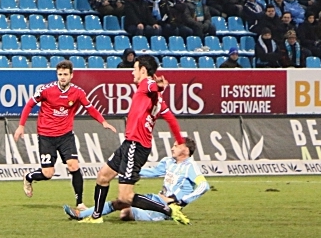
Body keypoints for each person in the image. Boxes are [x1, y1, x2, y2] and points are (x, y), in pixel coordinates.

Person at [77, 56, 190, 225]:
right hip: (130, 144)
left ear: (143, 70)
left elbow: (152, 85)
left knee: (126, 197)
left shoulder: (146, 84)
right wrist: (180, 141)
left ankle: (167, 209)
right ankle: (95, 217)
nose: (132, 72)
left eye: (135, 68)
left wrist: (158, 86)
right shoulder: (158, 100)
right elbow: (172, 119)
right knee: (103, 176)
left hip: (136, 146)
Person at [13, 60, 117, 209]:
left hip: (65, 136)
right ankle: (29, 176)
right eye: (60, 74)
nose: (62, 77)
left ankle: (80, 203)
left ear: (71, 75)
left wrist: (103, 122)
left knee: (73, 165)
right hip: (46, 136)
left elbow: (90, 107)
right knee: (48, 173)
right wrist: (21, 126)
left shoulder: (78, 92)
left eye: (65, 74)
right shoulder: (46, 90)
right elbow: (29, 104)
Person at [65, 138, 209, 222]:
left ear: (185, 149)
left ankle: (161, 213)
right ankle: (81, 214)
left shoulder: (191, 167)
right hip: (154, 198)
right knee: (120, 201)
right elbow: (153, 172)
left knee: (125, 212)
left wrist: (183, 201)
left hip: (166, 208)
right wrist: (128, 172)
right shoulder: (168, 162)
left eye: (176, 146)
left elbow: (204, 186)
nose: (172, 148)